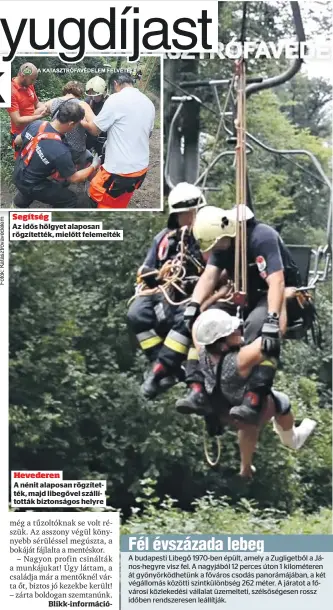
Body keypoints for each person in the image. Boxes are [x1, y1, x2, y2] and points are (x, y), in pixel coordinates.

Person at [183, 204, 302, 424]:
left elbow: (276, 281)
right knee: (205, 324)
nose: (215, 250)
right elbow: (209, 276)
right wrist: (194, 305)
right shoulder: (222, 244)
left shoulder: (261, 238)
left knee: (258, 330)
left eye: (217, 245)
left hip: (273, 292)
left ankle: (253, 394)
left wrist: (272, 320)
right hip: (245, 293)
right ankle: (199, 388)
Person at [193, 308, 317, 477]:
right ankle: (292, 439)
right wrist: (280, 302)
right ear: (223, 343)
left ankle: (245, 467)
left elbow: (196, 326)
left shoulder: (203, 353)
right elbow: (275, 333)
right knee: (282, 402)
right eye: (233, 331)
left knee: (247, 425)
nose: (238, 330)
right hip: (253, 407)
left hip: (225, 411)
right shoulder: (239, 360)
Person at [127, 183, 206, 398]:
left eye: (190, 213)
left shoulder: (207, 236)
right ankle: (160, 364)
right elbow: (145, 269)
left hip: (193, 297)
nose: (187, 219)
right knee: (136, 313)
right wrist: (159, 274)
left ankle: (159, 371)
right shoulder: (164, 238)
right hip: (161, 292)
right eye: (182, 214)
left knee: (186, 318)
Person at [82, 72, 155, 209]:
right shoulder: (148, 103)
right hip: (140, 170)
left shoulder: (116, 99)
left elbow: (95, 129)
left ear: (115, 84)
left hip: (119, 172)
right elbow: (148, 134)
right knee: (119, 201)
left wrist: (84, 108)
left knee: (96, 199)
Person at [13, 101, 100, 208]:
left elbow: (17, 141)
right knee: (71, 199)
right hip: (33, 184)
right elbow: (74, 178)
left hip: (18, 173)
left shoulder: (36, 124)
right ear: (71, 124)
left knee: (31, 180)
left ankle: (17, 205)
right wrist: (94, 165)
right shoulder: (61, 151)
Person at [45, 81, 95, 169]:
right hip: (76, 150)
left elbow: (37, 111)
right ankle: (79, 178)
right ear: (80, 92)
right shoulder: (82, 104)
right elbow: (95, 126)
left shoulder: (53, 101)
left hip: (56, 145)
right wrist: (84, 123)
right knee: (89, 160)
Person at [7, 63, 48, 159]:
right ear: (22, 75)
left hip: (33, 127)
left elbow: (37, 103)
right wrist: (39, 116)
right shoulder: (11, 92)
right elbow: (17, 120)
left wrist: (46, 108)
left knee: (33, 158)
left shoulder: (29, 85)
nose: (33, 82)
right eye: (32, 79)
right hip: (20, 133)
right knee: (21, 160)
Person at [84, 76, 108, 156]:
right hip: (89, 134)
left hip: (102, 137)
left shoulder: (108, 104)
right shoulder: (88, 101)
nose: (93, 97)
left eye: (96, 95)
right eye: (91, 94)